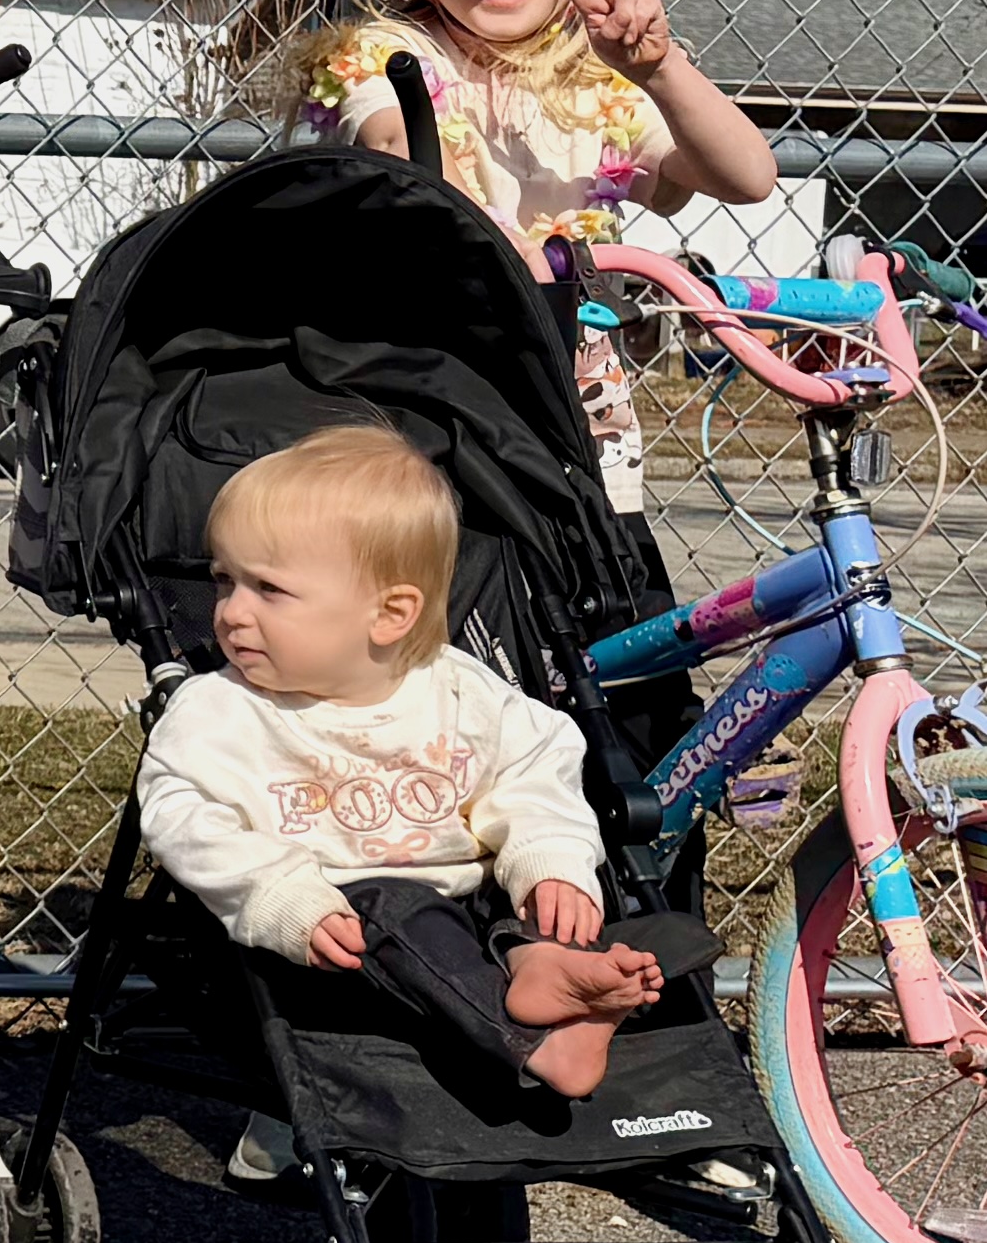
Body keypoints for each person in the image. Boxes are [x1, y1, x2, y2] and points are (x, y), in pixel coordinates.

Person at [140, 422, 688, 1099]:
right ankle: (539, 1041)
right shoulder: (218, 711)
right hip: (335, 928)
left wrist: (549, 858)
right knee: (397, 910)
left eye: (268, 590)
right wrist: (275, 893)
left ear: (390, 615)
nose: (229, 614)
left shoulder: (458, 688)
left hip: (474, 904)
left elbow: (534, 767)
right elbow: (183, 819)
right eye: (225, 581)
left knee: (552, 898)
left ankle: (538, 959)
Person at [300, 0, 777, 513]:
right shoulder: (385, 55)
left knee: (604, 604)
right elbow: (398, 147)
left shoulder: (598, 85)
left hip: (576, 410)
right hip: (417, 404)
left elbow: (747, 176)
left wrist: (658, 71)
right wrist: (504, 252)